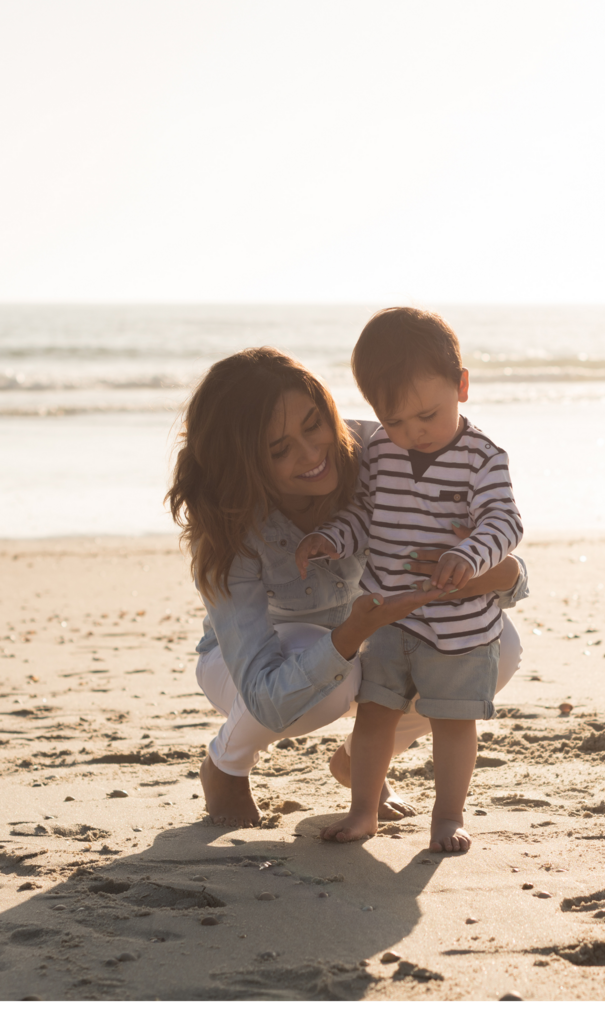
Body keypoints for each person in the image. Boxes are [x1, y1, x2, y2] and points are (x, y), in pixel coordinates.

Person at [164, 346, 527, 828]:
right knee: (334, 678)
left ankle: (359, 761)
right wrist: (349, 636)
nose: (313, 455)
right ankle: (227, 764)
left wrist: (505, 576)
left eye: (314, 424)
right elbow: (264, 693)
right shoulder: (230, 522)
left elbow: (495, 535)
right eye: (279, 450)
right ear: (245, 463)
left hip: (379, 639)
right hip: (251, 663)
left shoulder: (389, 446)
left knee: (498, 647)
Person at [297, 308, 521, 853]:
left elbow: (505, 523)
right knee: (376, 713)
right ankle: (364, 811)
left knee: (452, 723)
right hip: (391, 615)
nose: (412, 433)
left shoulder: (482, 458)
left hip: (462, 625)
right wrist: (333, 538)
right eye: (394, 421)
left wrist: (469, 555)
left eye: (427, 415)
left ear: (461, 386)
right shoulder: (379, 452)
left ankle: (447, 817)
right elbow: (363, 514)